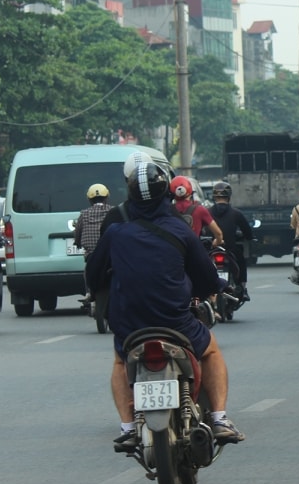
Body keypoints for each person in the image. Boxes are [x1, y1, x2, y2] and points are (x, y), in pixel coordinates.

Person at [85, 160, 243, 450]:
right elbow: (207, 279)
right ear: (166, 195)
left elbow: (93, 276)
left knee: (121, 361)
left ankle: (128, 427)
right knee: (210, 351)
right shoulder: (180, 230)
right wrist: (215, 289)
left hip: (130, 325)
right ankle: (219, 419)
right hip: (176, 323)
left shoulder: (115, 233)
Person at [207, 181, 255, 302]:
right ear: (228, 196)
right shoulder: (236, 213)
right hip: (230, 249)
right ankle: (242, 288)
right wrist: (249, 238)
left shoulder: (206, 212)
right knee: (242, 262)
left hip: (210, 249)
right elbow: (247, 232)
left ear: (214, 196)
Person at [170, 176, 224, 247]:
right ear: (190, 190)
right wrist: (217, 241)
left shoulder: (167, 210)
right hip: (193, 252)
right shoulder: (199, 209)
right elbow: (218, 233)